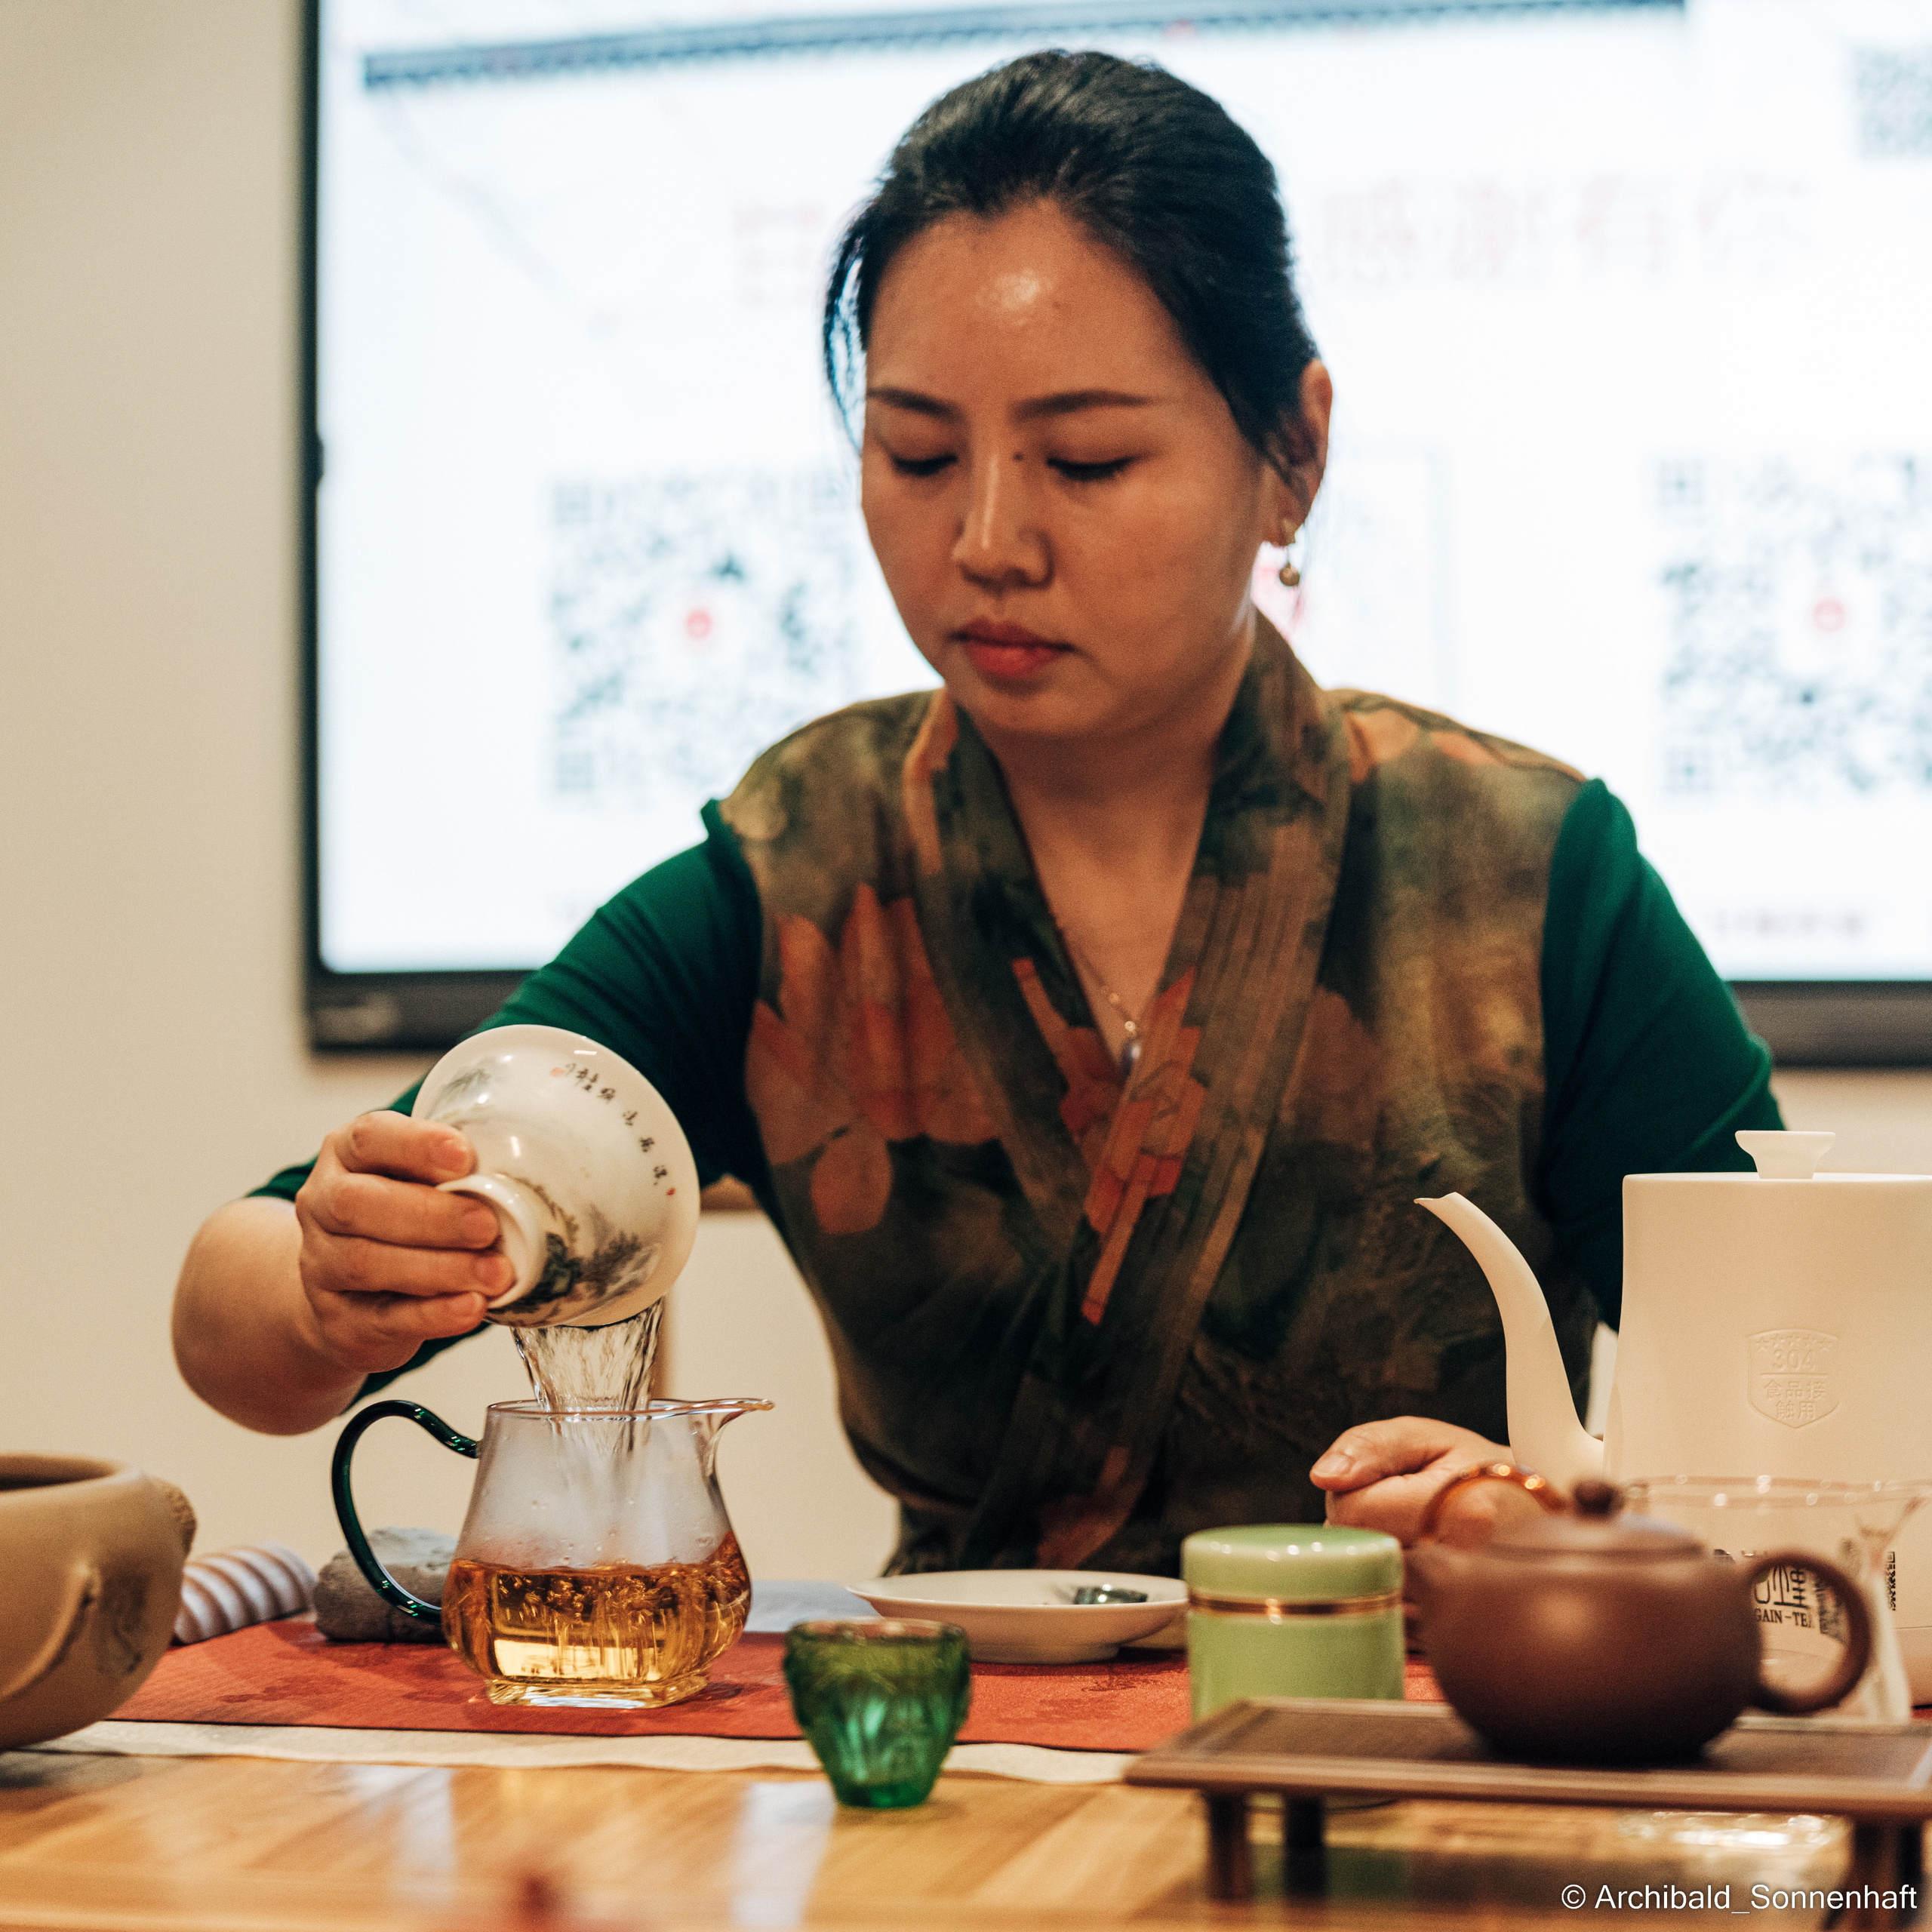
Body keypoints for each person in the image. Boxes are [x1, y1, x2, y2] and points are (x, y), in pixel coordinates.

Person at [174, 51, 1779, 1571]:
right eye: (917, 452)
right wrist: (336, 1277)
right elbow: (233, 1304)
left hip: (1420, 1750)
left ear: (1288, 452)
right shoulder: (804, 872)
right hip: (959, 1772)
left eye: (1081, 459)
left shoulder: (1519, 876)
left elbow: (1820, 1390)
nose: (988, 539)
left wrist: (1569, 1506)